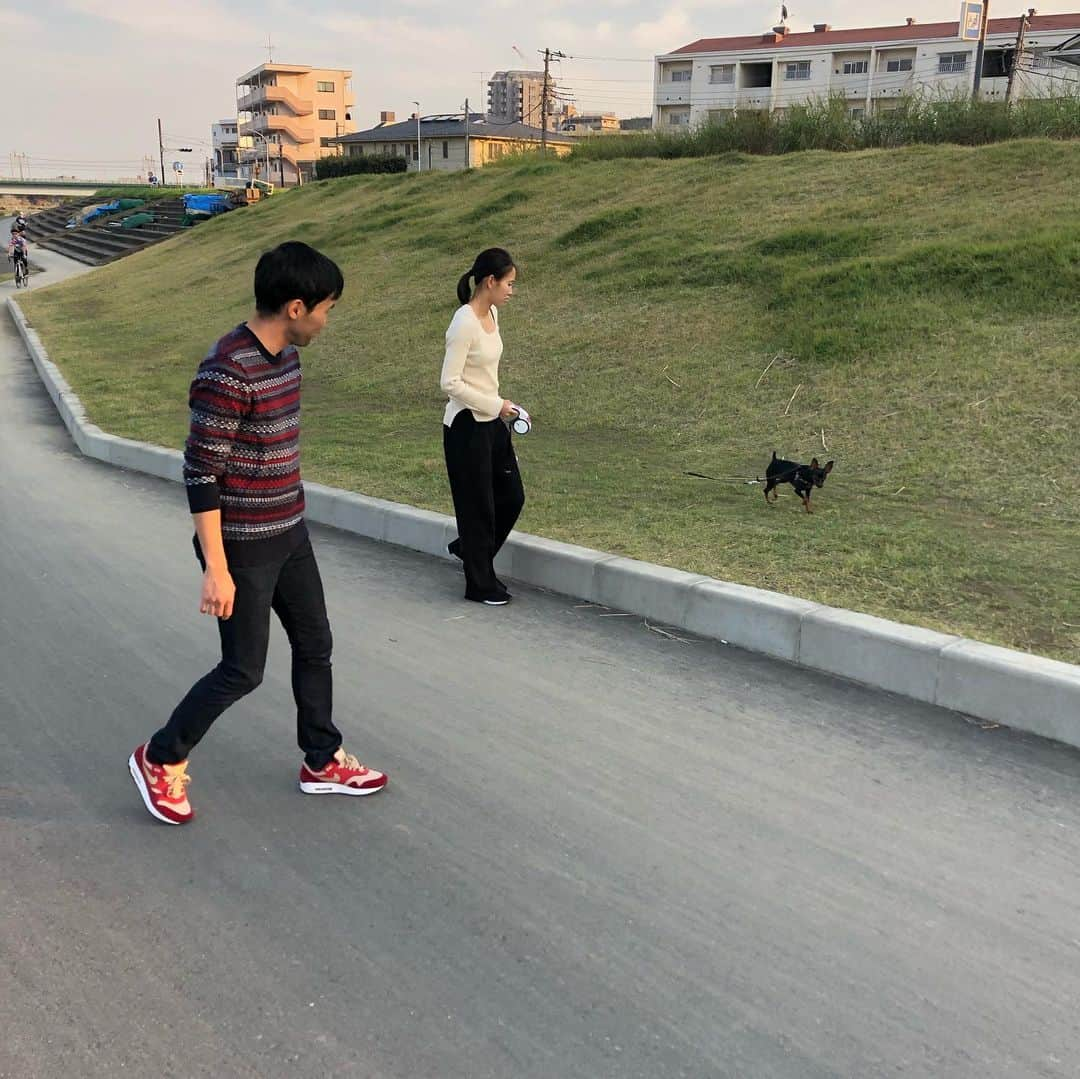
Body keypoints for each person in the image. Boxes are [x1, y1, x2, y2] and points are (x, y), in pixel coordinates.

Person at [129, 241, 387, 825]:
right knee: (242, 670)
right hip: (242, 545)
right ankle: (160, 757)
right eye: (326, 307)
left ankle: (321, 759)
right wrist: (215, 567)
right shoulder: (227, 370)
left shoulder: (286, 359)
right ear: (296, 307)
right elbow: (201, 471)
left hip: (289, 532)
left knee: (315, 645)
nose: (328, 319)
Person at [440, 247, 527, 605]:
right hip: (465, 426)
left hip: (492, 420)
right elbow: (449, 382)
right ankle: (479, 584)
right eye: (508, 283)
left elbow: (484, 372)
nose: (512, 290)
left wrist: (503, 407)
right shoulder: (463, 322)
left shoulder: (491, 312)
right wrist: (496, 403)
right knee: (478, 508)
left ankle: (469, 549)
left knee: (511, 497)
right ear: (490, 282)